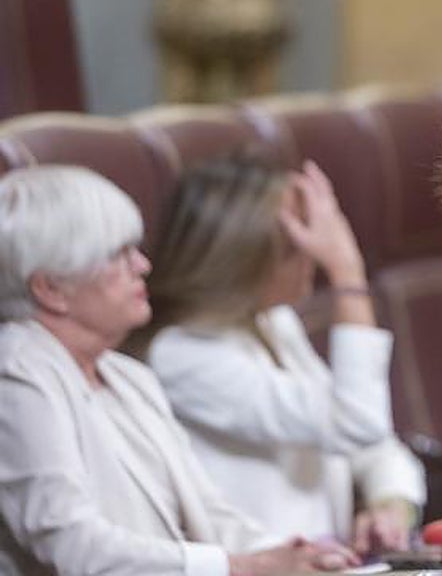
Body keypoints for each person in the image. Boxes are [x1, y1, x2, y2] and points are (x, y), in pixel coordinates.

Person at [0, 164, 357, 576]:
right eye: (117, 255)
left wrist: (296, 555)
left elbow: (209, 514)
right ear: (50, 289)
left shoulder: (129, 377)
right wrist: (246, 567)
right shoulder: (16, 373)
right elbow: (72, 544)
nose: (142, 265)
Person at [128, 152, 428, 560]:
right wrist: (347, 272)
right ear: (244, 258)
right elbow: (358, 420)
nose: (315, 254)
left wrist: (391, 505)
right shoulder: (180, 354)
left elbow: (375, 444)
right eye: (298, 241)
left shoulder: (274, 322)